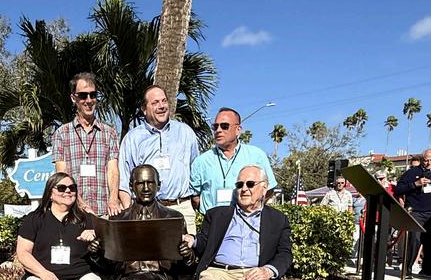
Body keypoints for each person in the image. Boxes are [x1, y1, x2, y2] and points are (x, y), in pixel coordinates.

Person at [118, 85, 200, 233]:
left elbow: (196, 171)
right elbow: (124, 181)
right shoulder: (132, 138)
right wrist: (130, 215)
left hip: (182, 208)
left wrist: (195, 200)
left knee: (186, 247)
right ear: (144, 109)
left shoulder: (185, 132)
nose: (161, 106)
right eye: (155, 103)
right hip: (146, 212)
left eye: (164, 101)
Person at [51, 72, 123, 216]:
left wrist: (113, 199)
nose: (89, 100)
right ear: (74, 98)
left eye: (93, 95)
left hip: (104, 212)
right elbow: (62, 175)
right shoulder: (61, 134)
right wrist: (80, 204)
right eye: (83, 95)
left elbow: (113, 170)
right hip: (73, 213)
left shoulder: (110, 133)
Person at [190, 107, 277, 215]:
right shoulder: (201, 161)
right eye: (215, 127)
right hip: (211, 222)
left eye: (224, 126)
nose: (218, 130)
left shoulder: (256, 156)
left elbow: (269, 188)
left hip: (245, 221)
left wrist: (253, 211)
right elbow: (195, 197)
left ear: (238, 130)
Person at [394, 148, 431, 279]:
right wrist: (415, 184)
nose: (428, 163)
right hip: (416, 211)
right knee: (414, 241)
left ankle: (427, 269)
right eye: (426, 160)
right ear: (422, 159)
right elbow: (398, 189)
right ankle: (407, 270)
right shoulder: (412, 172)